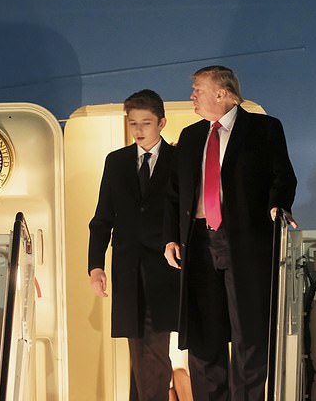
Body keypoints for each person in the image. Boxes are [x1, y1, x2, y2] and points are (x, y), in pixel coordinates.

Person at [163, 65, 298, 400]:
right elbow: (174, 193)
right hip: (198, 243)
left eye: (197, 88)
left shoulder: (264, 129)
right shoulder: (192, 136)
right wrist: (170, 237)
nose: (192, 95)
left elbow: (283, 177)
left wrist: (277, 206)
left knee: (248, 333)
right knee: (204, 336)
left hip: (245, 242)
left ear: (221, 92)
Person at [88, 89, 181, 400]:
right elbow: (102, 217)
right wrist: (96, 265)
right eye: (133, 124)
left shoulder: (179, 161)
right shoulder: (116, 162)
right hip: (128, 270)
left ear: (162, 123)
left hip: (165, 269)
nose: (139, 130)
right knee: (139, 348)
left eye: (146, 123)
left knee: (154, 349)